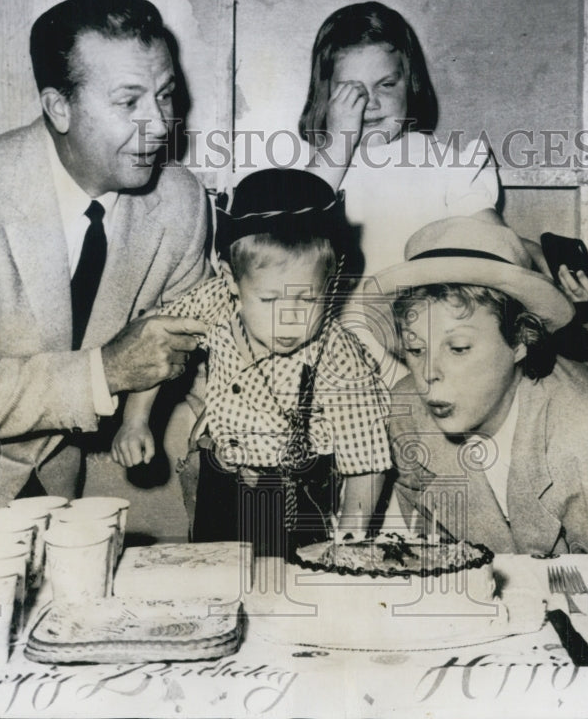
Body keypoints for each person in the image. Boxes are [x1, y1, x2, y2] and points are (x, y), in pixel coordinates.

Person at [0, 0, 209, 511]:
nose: (160, 124)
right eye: (129, 102)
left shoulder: (182, 201)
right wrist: (103, 371)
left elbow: (192, 349)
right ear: (59, 107)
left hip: (78, 494)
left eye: (166, 94)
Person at [375, 217, 588, 555]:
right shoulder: (407, 414)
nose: (428, 374)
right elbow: (439, 557)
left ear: (519, 341)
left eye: (458, 348)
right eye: (415, 349)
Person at [111, 169, 391, 556]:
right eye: (271, 300)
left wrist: (350, 546)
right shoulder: (214, 302)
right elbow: (156, 339)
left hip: (298, 507)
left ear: (331, 284)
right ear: (231, 282)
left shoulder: (341, 357)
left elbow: (367, 463)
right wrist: (134, 420)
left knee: (289, 601)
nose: (289, 319)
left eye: (308, 300)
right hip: (219, 488)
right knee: (214, 578)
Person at [298, 0, 588, 303]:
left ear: (410, 83)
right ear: (325, 93)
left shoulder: (447, 163)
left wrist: (552, 269)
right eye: (352, 90)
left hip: (428, 337)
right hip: (338, 341)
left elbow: (491, 237)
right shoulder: (316, 166)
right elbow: (294, 227)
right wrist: (339, 141)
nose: (372, 102)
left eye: (387, 85)